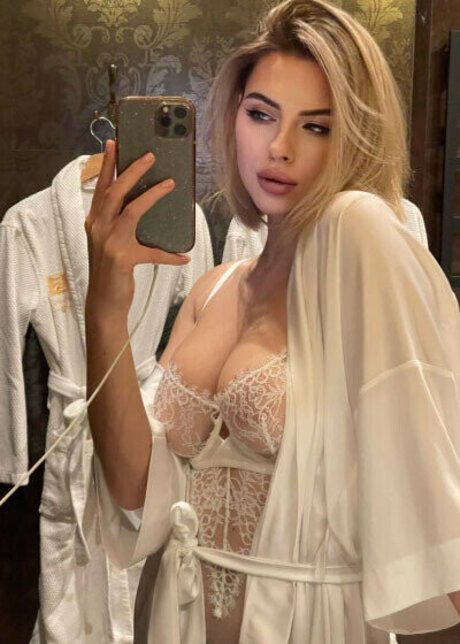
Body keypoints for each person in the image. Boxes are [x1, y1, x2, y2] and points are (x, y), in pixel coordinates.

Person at [83, 1, 460, 642]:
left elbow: (435, 512)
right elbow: (133, 486)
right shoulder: (215, 288)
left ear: (356, 137)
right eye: (261, 115)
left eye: (317, 126)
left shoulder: (360, 234)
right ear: (235, 116)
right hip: (173, 618)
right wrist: (105, 306)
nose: (279, 149)